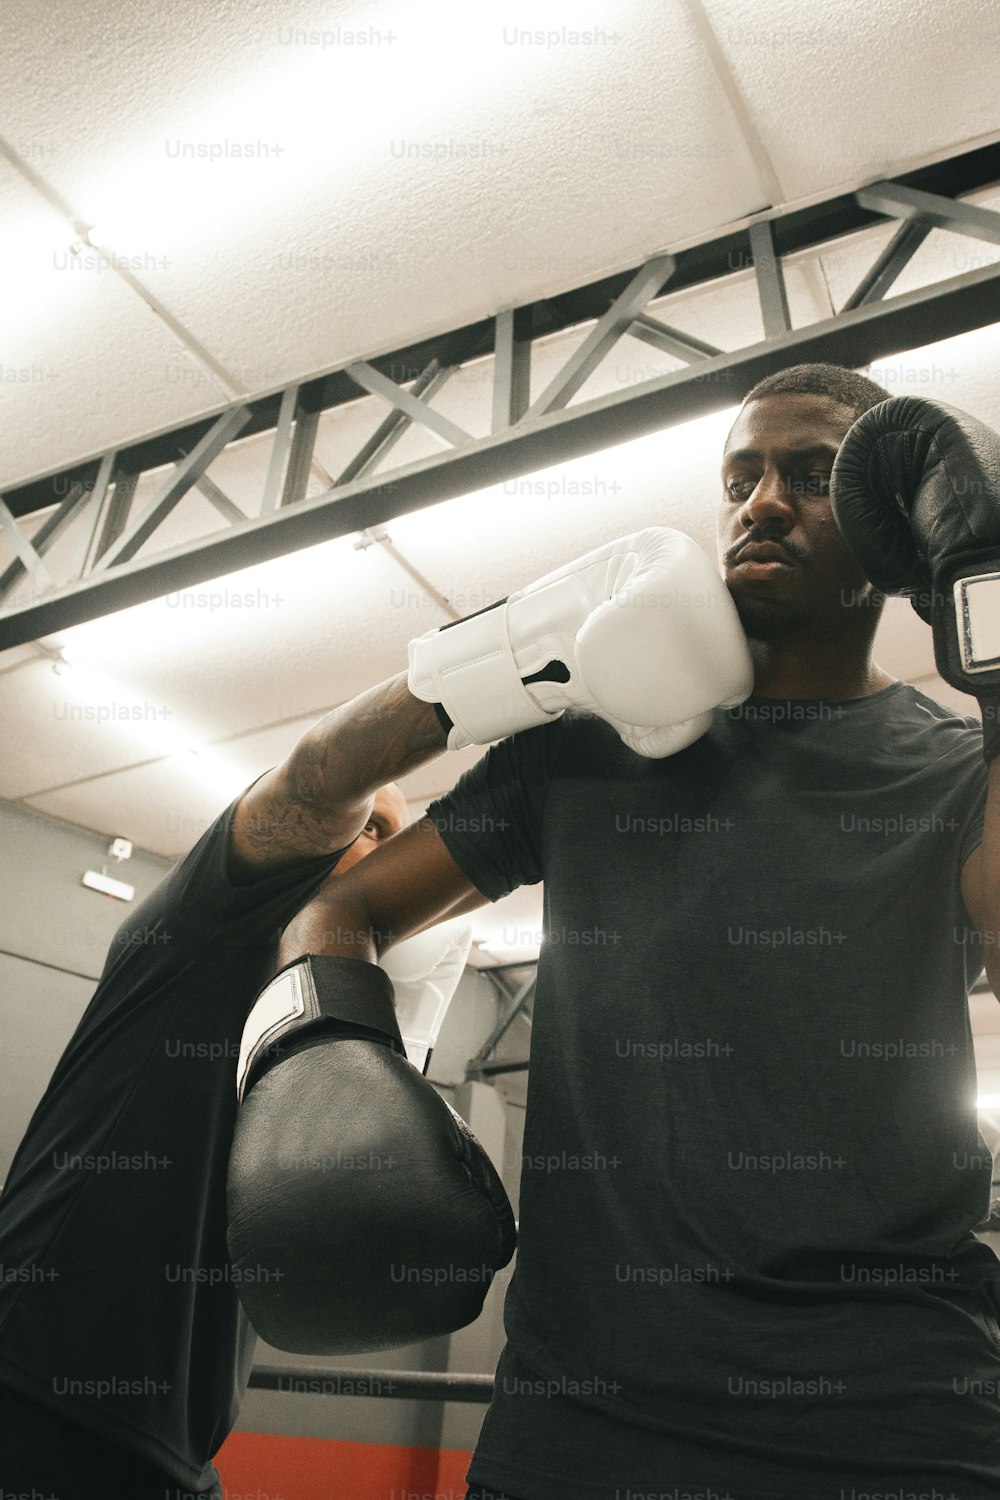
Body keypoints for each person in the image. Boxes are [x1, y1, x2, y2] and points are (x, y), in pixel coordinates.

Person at [244, 363, 1000, 1499]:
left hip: (888, 1421)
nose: (760, 503)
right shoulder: (590, 746)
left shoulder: (952, 770)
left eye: (808, 477)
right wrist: (323, 1059)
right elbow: (339, 903)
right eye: (739, 479)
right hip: (575, 1421)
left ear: (893, 525)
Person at [0, 672, 476, 1500]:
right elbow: (321, 771)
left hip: (171, 1451)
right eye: (374, 830)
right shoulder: (205, 925)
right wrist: (520, 663)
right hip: (33, 1397)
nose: (384, 850)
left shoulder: (312, 1028)